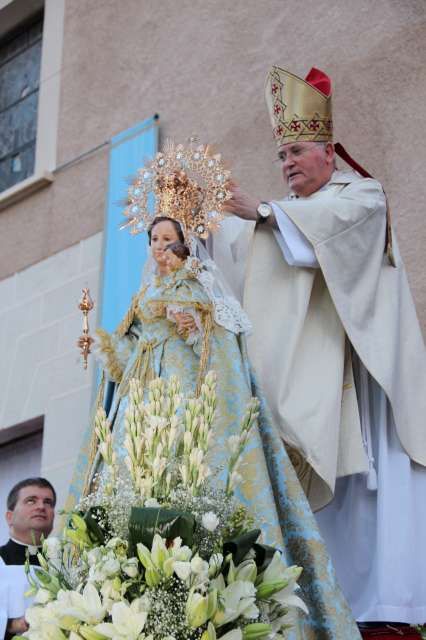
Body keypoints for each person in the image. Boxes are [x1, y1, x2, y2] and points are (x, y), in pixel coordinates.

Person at [73, 146, 364, 639]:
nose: (159, 247)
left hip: (191, 412)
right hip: (142, 416)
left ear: (186, 243)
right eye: (153, 239)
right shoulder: (143, 296)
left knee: (195, 491)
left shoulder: (203, 289)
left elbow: (228, 349)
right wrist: (102, 347)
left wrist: (196, 329)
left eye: (168, 238)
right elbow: (125, 362)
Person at [220, 65, 426, 632]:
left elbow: (321, 231)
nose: (287, 163)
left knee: (369, 502)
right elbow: (247, 251)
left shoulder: (362, 195)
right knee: (324, 505)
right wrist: (199, 233)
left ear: (329, 152)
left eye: (297, 151)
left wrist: (261, 211)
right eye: (281, 155)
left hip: (362, 379)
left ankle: (386, 614)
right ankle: (327, 608)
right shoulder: (283, 215)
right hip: (314, 384)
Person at [0, 478, 56, 639]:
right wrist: (12, 624)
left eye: (48, 502)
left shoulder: (65, 565)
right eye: (31, 501)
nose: (41, 507)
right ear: (9, 516)